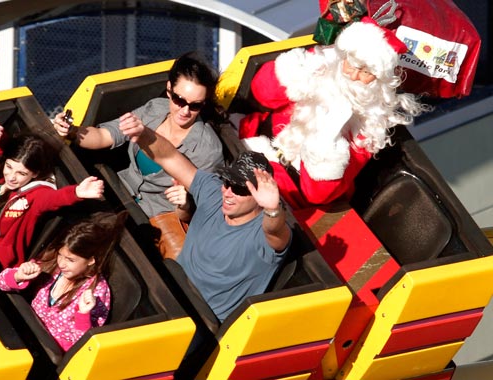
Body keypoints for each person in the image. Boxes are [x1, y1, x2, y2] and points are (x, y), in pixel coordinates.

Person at [239, 16, 429, 209]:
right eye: (352, 64)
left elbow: (318, 195)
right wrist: (300, 70)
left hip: (283, 189)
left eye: (366, 72)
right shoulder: (321, 66)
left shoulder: (370, 125)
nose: (354, 76)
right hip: (247, 139)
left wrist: (326, 138)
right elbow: (261, 93)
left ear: (380, 79)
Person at [120, 113, 292, 322]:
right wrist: (144, 134)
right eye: (227, 182)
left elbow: (275, 231)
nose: (228, 192)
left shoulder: (264, 237)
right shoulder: (214, 192)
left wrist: (272, 208)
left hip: (200, 320)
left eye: (239, 189)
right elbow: (171, 158)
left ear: (258, 198)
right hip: (168, 289)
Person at [52, 51, 225, 258]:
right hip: (119, 192)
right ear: (169, 90)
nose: (185, 111)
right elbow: (104, 135)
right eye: (180, 100)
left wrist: (185, 204)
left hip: (160, 216)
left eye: (195, 105)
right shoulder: (155, 108)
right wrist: (71, 131)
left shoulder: (208, 149)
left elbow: (202, 209)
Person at [0, 119, 105, 269]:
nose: (11, 177)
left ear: (35, 174)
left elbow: (52, 199)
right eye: (9, 167)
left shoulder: (34, 195)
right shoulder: (4, 174)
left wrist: (76, 192)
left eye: (21, 173)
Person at [0, 211, 127, 351]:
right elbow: (1, 282)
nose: (62, 264)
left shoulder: (96, 292)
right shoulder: (50, 264)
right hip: (21, 329)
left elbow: (83, 347)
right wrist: (18, 276)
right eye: (61, 255)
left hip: (47, 351)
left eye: (70, 260)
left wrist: (83, 314)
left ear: (91, 260)